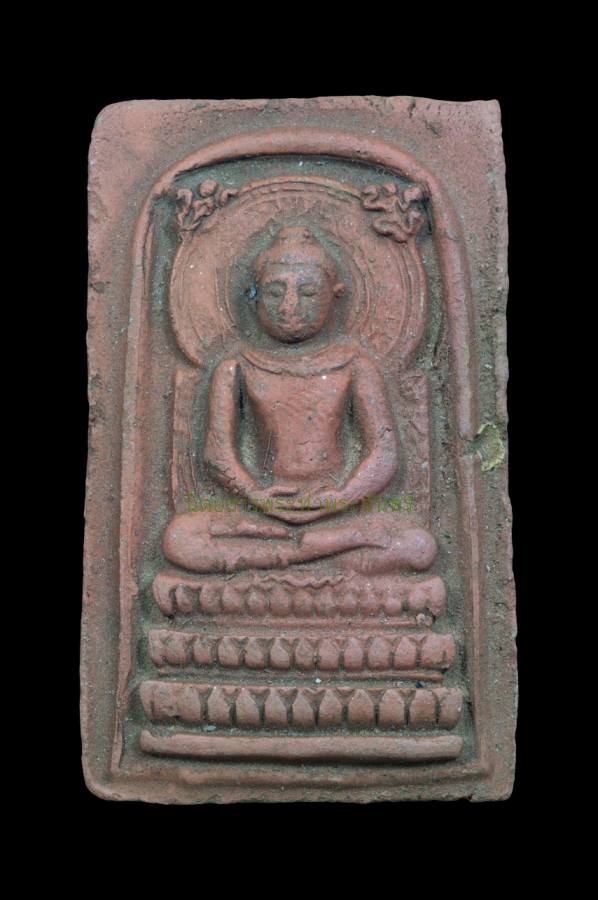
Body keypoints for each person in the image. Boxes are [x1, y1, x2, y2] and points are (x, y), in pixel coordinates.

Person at [163, 228, 436, 574]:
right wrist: (257, 497)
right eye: (274, 292)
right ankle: (306, 555)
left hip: (339, 509)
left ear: (335, 295)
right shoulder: (236, 367)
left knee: (417, 544)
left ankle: (287, 557)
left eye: (308, 292)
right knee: (181, 537)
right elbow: (217, 456)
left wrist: (342, 497)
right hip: (259, 512)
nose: (289, 306)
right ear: (254, 295)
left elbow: (384, 453)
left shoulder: (355, 366)